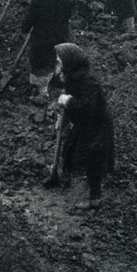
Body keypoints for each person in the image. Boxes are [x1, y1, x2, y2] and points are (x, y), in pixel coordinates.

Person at [44, 43, 115, 210]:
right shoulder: (72, 76)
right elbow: (73, 100)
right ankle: (61, 174)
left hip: (96, 125)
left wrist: (68, 101)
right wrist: (63, 118)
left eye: (60, 61)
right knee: (70, 148)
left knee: (93, 159)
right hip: (83, 123)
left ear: (70, 62)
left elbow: (88, 106)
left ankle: (94, 198)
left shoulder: (88, 81)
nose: (58, 65)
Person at [22, 0, 73, 105]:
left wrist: (24, 29)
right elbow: (69, 16)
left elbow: (29, 20)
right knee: (57, 61)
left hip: (42, 40)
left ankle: (42, 93)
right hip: (61, 37)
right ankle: (60, 87)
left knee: (40, 65)